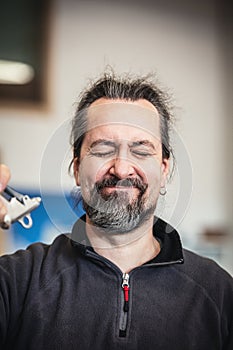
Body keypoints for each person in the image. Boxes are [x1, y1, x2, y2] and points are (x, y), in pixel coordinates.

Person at [0, 72, 232, 350]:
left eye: (141, 151)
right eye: (102, 149)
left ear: (164, 169)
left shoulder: (218, 293)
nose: (121, 168)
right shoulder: (15, 281)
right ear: (76, 169)